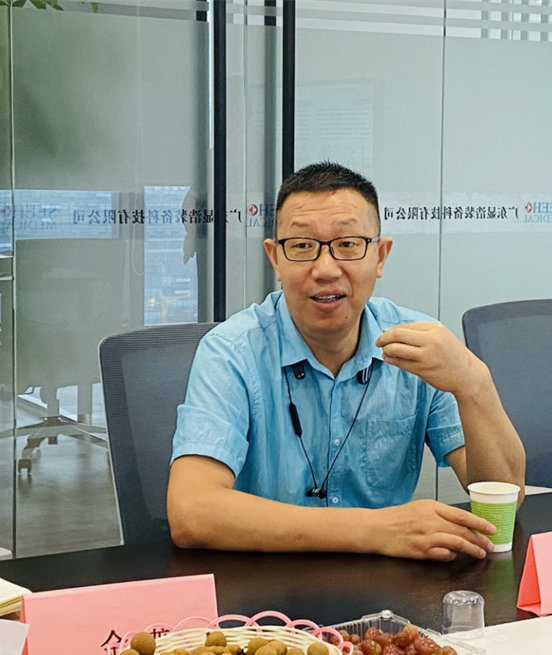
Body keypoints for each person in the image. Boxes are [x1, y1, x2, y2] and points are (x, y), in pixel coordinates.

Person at [167, 162, 525, 561]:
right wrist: (376, 530)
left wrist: (474, 382)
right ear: (275, 259)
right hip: (263, 585)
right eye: (302, 246)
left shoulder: (418, 346)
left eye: (348, 244)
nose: (325, 269)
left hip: (389, 591)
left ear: (381, 256)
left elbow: (505, 500)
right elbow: (191, 511)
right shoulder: (232, 351)